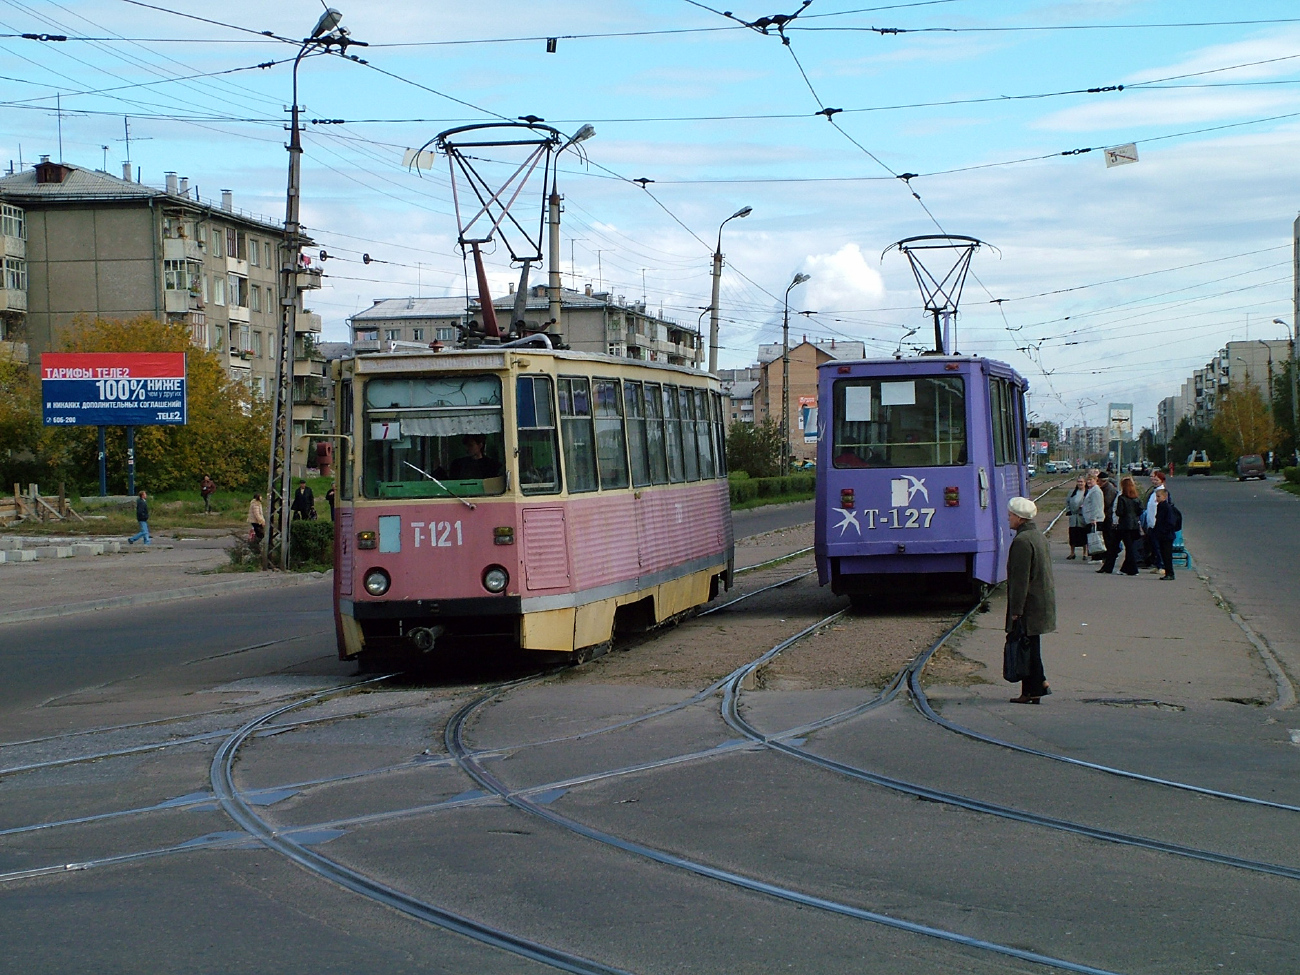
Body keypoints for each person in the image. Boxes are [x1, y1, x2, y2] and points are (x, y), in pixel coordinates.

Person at [1006, 496, 1056, 704]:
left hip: (1029, 604)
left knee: (1026, 647)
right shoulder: (1038, 536)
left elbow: (1019, 580)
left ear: (1019, 518)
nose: (1008, 519)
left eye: (1010, 515)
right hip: (1041, 600)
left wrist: (1016, 610)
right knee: (1031, 645)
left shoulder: (1021, 542)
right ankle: (1039, 683)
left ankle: (1032, 690)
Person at [1098, 476, 1143, 575]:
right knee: (1129, 547)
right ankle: (1125, 569)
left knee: (1114, 546)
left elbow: (1119, 512)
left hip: (1122, 526)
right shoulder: (1136, 498)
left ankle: (1111, 567)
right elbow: (1140, 511)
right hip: (1133, 526)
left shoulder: (1122, 498)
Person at [1141, 470, 1168, 573]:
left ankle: (1162, 566)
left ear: (1162, 481)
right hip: (1151, 523)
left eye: (1157, 479)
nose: (1154, 481)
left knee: (1158, 546)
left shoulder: (1161, 492)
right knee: (1154, 546)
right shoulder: (1154, 491)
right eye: (1153, 478)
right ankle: (1157, 565)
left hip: (1157, 524)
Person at [1096, 470, 1120, 571]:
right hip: (1107, 518)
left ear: (1103, 481)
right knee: (1108, 541)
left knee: (1110, 542)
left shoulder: (1109, 489)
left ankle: (1108, 564)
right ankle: (1107, 564)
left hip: (1108, 519)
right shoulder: (1106, 488)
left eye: (1098, 481)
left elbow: (1106, 503)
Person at [1152, 487, 1178, 580]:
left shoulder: (1167, 507)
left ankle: (1170, 573)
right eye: (1156, 496)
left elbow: (1171, 522)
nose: (1157, 498)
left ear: (1164, 496)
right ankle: (1168, 572)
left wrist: (1163, 531)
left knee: (1167, 555)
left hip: (1167, 535)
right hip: (1162, 534)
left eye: (1158, 496)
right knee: (1164, 554)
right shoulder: (1160, 506)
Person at [1080, 472, 1105, 562]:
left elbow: (1096, 505)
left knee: (1096, 538)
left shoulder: (1096, 491)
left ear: (1096, 480)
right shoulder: (1091, 490)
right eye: (1088, 480)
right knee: (1092, 537)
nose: (1089, 481)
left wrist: (1093, 518)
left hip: (1095, 519)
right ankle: (1095, 556)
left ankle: (1098, 556)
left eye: (1091, 480)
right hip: (1091, 518)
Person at [1065, 475, 1088, 559]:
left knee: (1083, 535)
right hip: (1073, 517)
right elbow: (1067, 502)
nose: (1080, 483)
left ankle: (1085, 553)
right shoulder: (1072, 492)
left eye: (1082, 482)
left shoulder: (1088, 492)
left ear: (1085, 483)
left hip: (1083, 518)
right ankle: (1072, 553)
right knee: (1072, 535)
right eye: (1078, 482)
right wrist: (1069, 511)